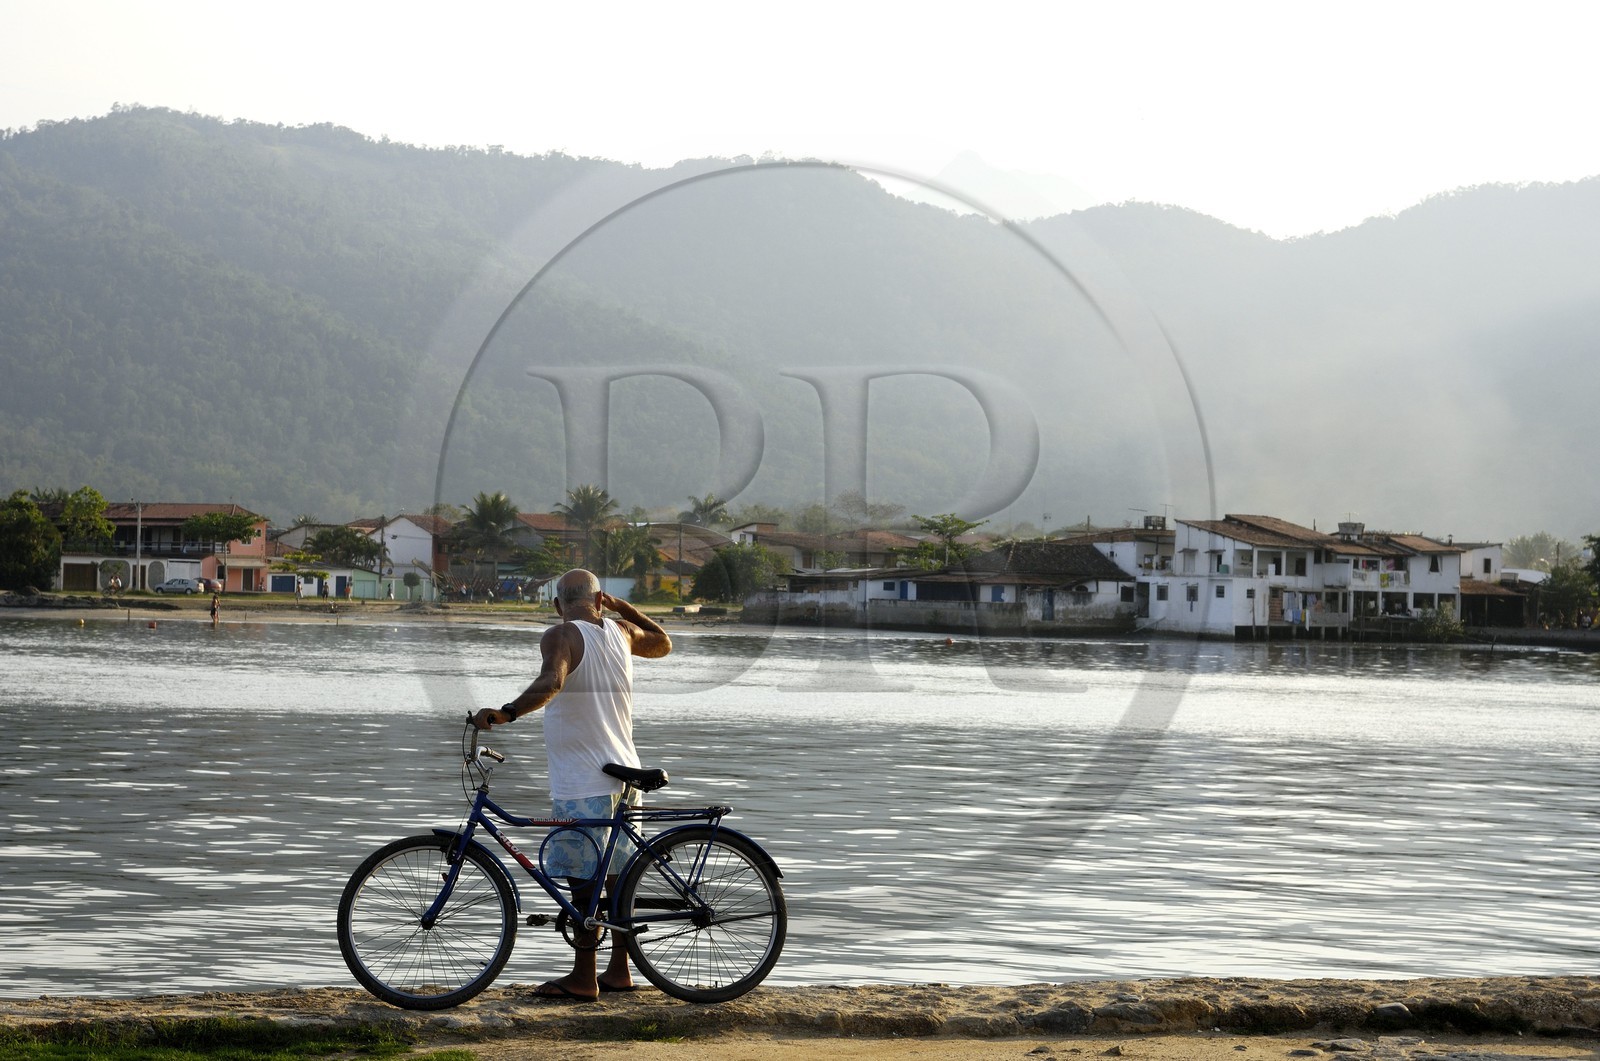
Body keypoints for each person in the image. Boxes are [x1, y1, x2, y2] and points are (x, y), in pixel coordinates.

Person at [470, 569, 671, 1002]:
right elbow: (663, 642)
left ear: (558, 604)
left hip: (584, 779)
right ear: (599, 601)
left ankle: (583, 978)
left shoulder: (560, 634)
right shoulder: (621, 632)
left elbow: (552, 682)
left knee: (584, 881)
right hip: (623, 773)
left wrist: (506, 713)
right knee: (618, 878)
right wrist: (623, 608)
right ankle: (620, 971)